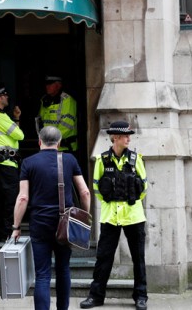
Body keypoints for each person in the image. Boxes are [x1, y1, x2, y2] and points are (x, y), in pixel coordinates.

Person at [11, 126, 91, 310]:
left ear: (39, 141)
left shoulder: (28, 163)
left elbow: (23, 198)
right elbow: (85, 192)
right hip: (65, 225)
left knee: (43, 275)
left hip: (39, 224)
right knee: (63, 269)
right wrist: (84, 219)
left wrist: (16, 226)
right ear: (59, 142)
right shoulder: (69, 159)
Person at [80, 121, 149, 310]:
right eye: (125, 136)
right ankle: (96, 296)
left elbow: (143, 188)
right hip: (110, 217)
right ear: (115, 138)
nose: (129, 138)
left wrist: (127, 200)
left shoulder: (136, 159)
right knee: (103, 258)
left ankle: (141, 296)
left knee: (138, 258)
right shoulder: (102, 160)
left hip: (133, 217)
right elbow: (96, 188)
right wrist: (113, 202)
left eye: (129, 136)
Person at [0, 85, 24, 241]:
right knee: (10, 200)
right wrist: (16, 121)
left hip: (0, 163)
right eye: (5, 95)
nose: (7, 97)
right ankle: (8, 234)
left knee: (0, 201)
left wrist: (16, 119)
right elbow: (20, 135)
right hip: (5, 164)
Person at [38, 76, 77, 153]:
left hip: (64, 148)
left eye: (50, 84)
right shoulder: (45, 100)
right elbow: (41, 121)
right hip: (47, 147)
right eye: (46, 84)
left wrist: (49, 141)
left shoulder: (67, 100)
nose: (47, 87)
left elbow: (66, 126)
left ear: (58, 85)